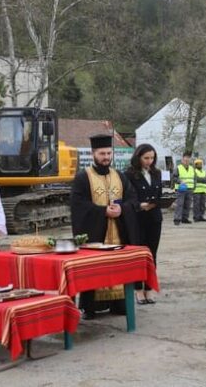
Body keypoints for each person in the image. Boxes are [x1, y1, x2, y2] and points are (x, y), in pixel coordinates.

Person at [70, 134, 139, 319]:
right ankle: (91, 307)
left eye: (109, 153)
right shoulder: (83, 177)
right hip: (96, 234)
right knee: (94, 269)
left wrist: (122, 209)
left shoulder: (120, 176)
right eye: (102, 153)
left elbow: (133, 200)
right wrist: (103, 212)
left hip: (118, 231)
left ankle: (119, 304)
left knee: (118, 268)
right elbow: (78, 206)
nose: (106, 157)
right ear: (93, 153)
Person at [125, 144, 164, 305]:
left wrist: (160, 202)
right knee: (138, 255)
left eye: (152, 158)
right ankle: (138, 289)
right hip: (138, 218)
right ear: (138, 157)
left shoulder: (156, 173)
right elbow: (128, 195)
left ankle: (149, 288)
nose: (149, 161)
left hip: (154, 218)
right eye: (146, 158)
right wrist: (139, 205)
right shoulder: (129, 174)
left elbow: (159, 193)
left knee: (151, 254)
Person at [173, 151, 194, 225]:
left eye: (188, 160)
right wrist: (180, 181)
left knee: (187, 204)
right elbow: (174, 178)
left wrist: (194, 186)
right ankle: (177, 219)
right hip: (181, 188)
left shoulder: (192, 168)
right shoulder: (178, 168)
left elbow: (194, 178)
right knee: (180, 204)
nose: (187, 162)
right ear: (182, 160)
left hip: (190, 189)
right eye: (185, 160)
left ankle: (185, 218)